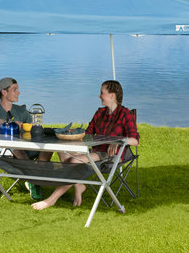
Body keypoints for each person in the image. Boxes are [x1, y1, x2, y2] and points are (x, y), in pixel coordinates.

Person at [31, 80, 139, 210]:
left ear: (112, 95)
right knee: (62, 150)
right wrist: (73, 134)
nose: (99, 96)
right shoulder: (100, 113)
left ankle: (51, 200)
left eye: (102, 93)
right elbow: (87, 134)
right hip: (95, 152)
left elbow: (135, 140)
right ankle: (78, 184)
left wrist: (120, 141)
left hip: (110, 156)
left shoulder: (125, 114)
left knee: (72, 161)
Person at [0, 77, 51, 199]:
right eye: (14, 89)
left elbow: (31, 129)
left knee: (48, 148)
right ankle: (33, 181)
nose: (18, 92)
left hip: (26, 147)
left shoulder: (21, 111)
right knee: (16, 147)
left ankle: (34, 177)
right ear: (4, 92)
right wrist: (8, 124)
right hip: (3, 151)